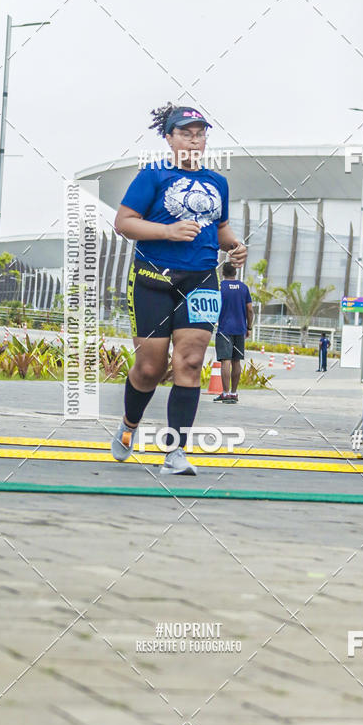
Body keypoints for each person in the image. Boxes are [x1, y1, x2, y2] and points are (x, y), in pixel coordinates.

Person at [111, 102, 247, 475]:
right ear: (169, 138)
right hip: (153, 279)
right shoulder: (152, 176)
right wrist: (168, 231)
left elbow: (218, 229)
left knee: (189, 362)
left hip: (201, 278)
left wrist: (234, 246)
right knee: (150, 367)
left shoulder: (218, 182)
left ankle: (175, 452)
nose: (194, 139)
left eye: (200, 133)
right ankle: (129, 425)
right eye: (185, 132)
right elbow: (124, 222)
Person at [214, 261, 253, 403]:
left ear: (223, 273)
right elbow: (250, 309)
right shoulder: (244, 288)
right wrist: (249, 327)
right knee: (237, 361)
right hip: (240, 329)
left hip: (224, 328)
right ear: (235, 273)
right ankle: (234, 393)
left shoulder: (219, 288)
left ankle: (225, 393)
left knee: (226, 360)